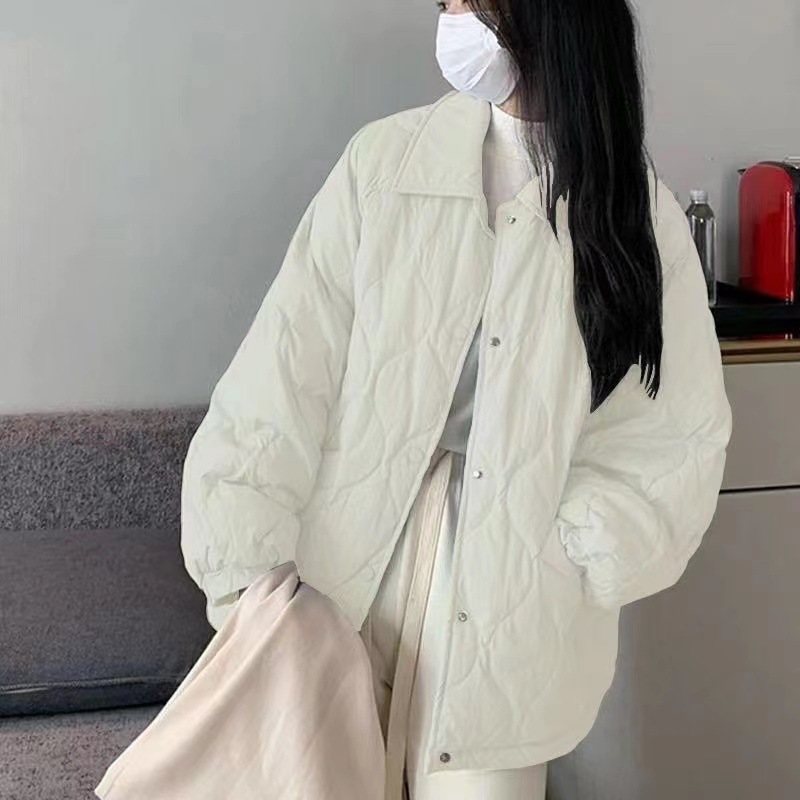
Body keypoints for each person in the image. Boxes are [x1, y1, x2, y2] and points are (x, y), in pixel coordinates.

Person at [95, 1, 733, 799]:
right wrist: (249, 565)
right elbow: (287, 369)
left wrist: (571, 550)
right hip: (343, 572)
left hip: (511, 599)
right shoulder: (386, 165)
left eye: (470, 1)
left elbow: (668, 431)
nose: (452, 17)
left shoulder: (636, 214)